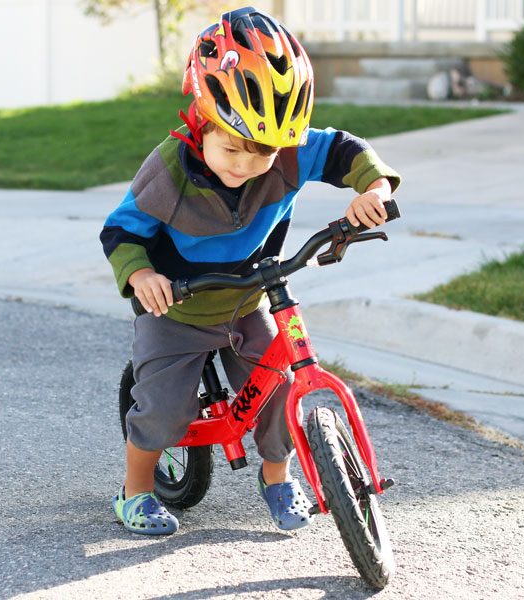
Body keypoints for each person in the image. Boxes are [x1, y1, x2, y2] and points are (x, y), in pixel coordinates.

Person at [100, 6, 400, 536]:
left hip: (248, 297)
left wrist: (374, 188)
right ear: (201, 124)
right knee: (166, 410)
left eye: (262, 152)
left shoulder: (284, 153)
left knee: (280, 389)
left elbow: (344, 150)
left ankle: (279, 478)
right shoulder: (169, 171)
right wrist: (142, 276)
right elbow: (121, 232)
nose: (245, 164)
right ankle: (136, 491)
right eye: (232, 147)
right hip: (178, 308)